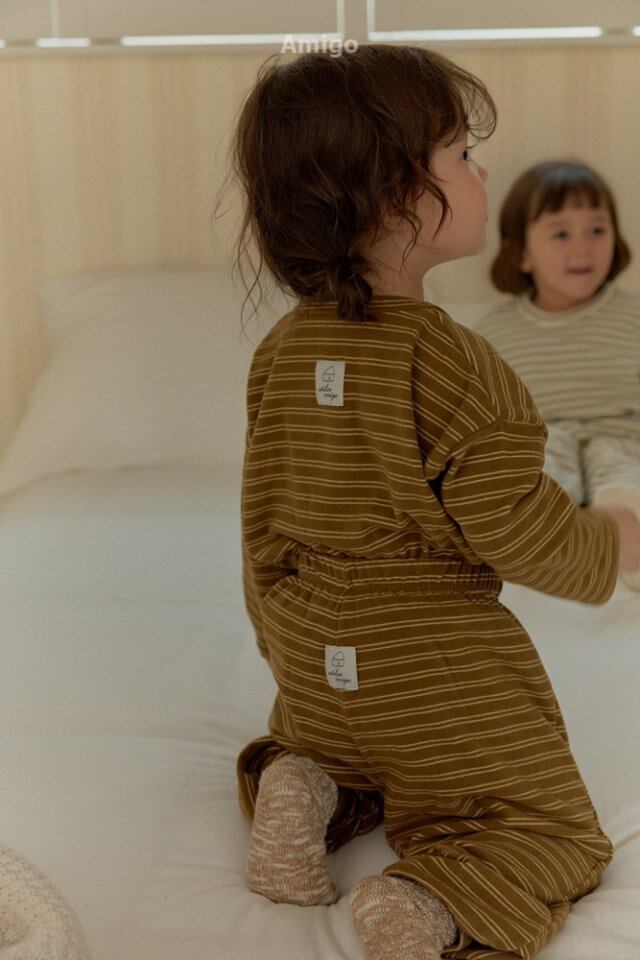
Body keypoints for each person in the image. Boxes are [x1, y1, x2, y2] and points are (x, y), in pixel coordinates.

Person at [220, 45, 640, 960]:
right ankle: (427, 901)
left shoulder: (282, 351)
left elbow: (261, 523)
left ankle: (310, 782)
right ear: (395, 198)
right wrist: (612, 544)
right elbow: (520, 531)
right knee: (551, 832)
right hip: (433, 670)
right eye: (461, 155)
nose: (481, 172)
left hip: (311, 663)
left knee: (358, 748)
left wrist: (283, 648)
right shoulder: (455, 363)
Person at [475, 160, 640, 591]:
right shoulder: (493, 334)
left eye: (597, 230)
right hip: (542, 445)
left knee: (625, 479)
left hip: (625, 442)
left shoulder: (633, 316)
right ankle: (553, 551)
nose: (583, 247)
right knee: (533, 477)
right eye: (562, 234)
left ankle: (623, 540)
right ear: (522, 253)